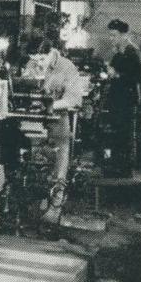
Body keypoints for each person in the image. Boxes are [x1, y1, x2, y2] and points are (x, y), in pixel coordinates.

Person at [20, 35, 88, 223]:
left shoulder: (67, 67)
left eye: (42, 59)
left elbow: (74, 99)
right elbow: (26, 86)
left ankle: (56, 200)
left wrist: (50, 105)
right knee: (32, 154)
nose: (38, 64)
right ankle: (36, 193)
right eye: (34, 60)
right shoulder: (32, 64)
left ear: (51, 53)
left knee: (60, 151)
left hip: (58, 115)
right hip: (34, 116)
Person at [105, 19, 141, 177]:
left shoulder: (132, 51)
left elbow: (139, 76)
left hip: (127, 99)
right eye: (110, 35)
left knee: (124, 134)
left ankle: (124, 169)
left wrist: (117, 74)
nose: (111, 38)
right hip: (118, 99)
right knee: (117, 133)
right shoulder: (119, 52)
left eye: (114, 35)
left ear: (123, 35)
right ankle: (116, 166)